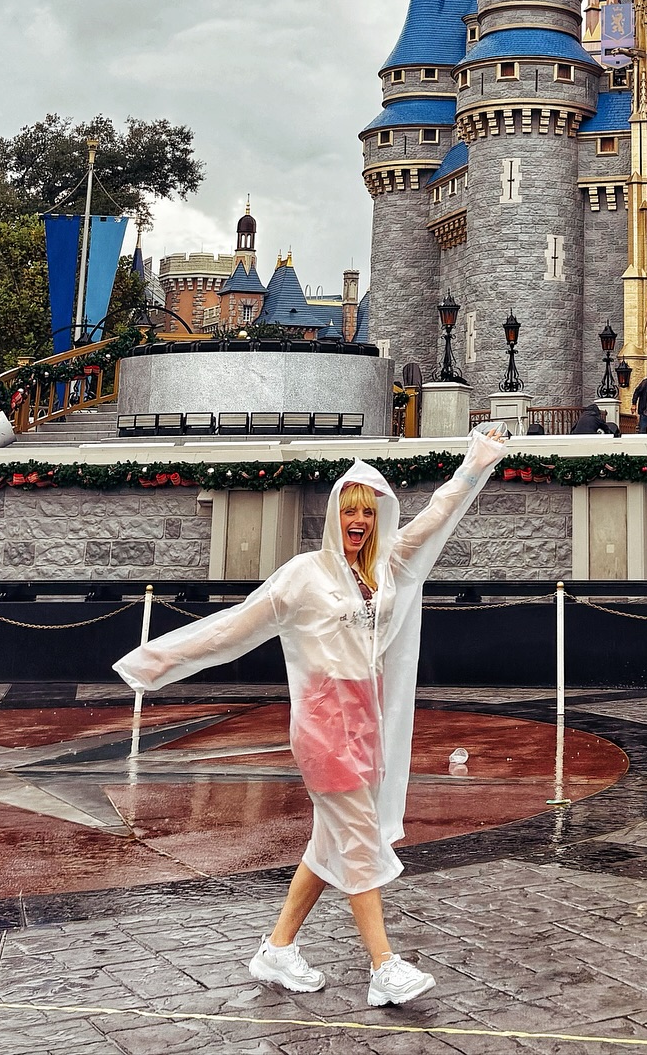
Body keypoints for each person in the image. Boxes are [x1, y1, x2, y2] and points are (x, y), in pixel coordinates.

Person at [113, 429, 508, 1007]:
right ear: (333, 515)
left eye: (367, 511)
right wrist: (152, 663)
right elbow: (234, 627)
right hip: (324, 729)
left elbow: (436, 515)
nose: (359, 520)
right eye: (349, 510)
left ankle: (277, 949)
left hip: (367, 724)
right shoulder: (304, 574)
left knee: (330, 845)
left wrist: (478, 462)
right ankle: (384, 966)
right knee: (359, 842)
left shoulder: (387, 567)